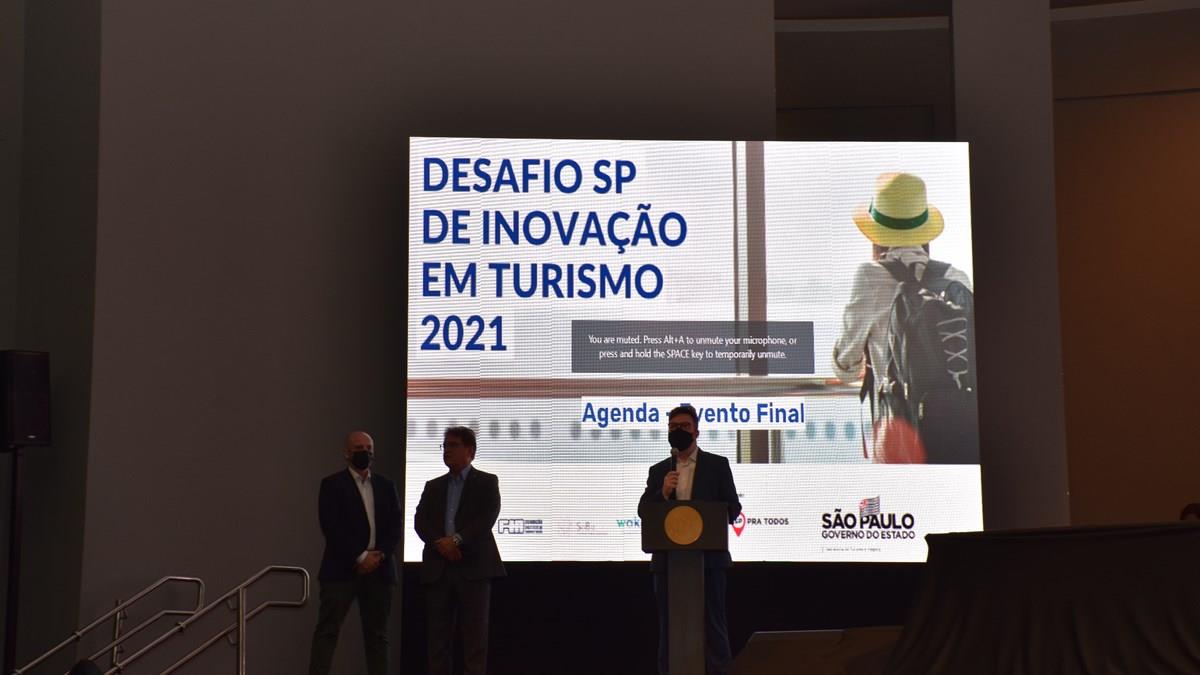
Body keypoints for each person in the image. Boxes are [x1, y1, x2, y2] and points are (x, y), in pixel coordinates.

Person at [832, 171, 975, 463]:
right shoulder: (956, 278)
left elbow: (846, 365)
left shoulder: (869, 277)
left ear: (877, 235)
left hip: (899, 435)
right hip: (958, 433)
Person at [638, 405, 742, 675]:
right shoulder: (659, 470)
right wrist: (662, 492)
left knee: (714, 626)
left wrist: (706, 515)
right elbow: (644, 512)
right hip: (668, 564)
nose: (678, 431)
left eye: (684, 426)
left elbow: (733, 508)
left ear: (696, 431)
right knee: (669, 628)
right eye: (673, 427)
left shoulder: (717, 465)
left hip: (709, 561)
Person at [307, 431, 401, 675]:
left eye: (368, 448)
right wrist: (360, 557)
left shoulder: (386, 486)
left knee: (378, 636)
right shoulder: (332, 485)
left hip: (379, 570)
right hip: (341, 570)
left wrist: (379, 556)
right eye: (359, 448)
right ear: (347, 453)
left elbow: (395, 527)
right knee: (327, 632)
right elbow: (331, 527)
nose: (365, 452)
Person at [414, 426, 505, 675]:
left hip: (474, 569)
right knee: (437, 641)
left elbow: (486, 518)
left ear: (470, 450)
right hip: (439, 569)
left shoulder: (487, 482)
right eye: (445, 446)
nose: (447, 450)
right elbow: (420, 521)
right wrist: (441, 544)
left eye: (453, 445)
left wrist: (456, 540)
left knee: (474, 641)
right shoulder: (433, 486)